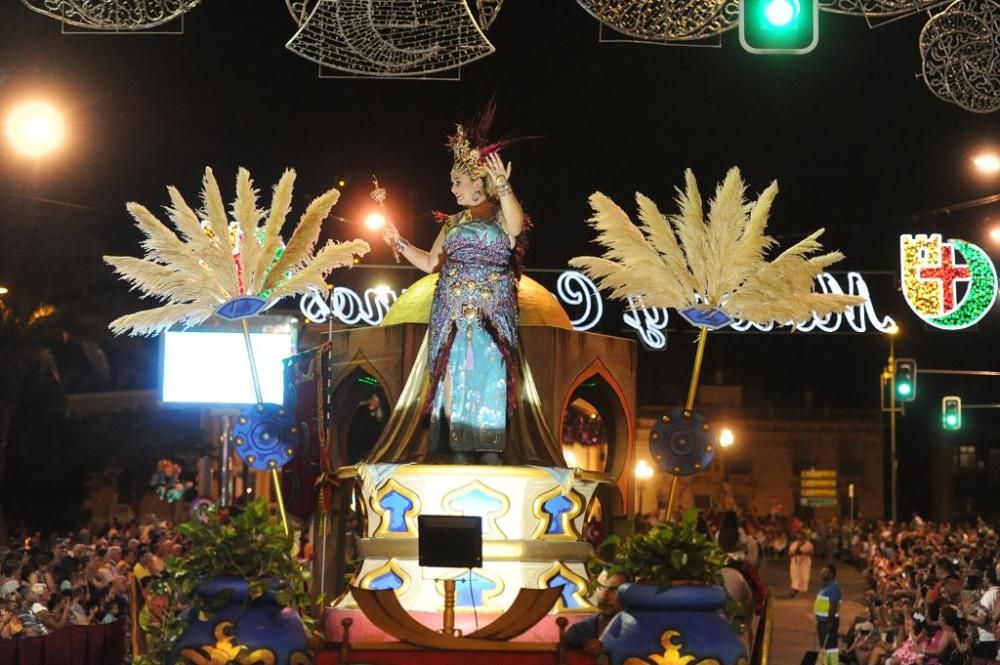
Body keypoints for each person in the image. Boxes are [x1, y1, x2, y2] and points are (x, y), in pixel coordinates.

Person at [373, 110, 564, 467]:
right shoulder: (453, 223)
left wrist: (505, 185)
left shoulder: (500, 217)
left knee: (489, 372)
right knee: (455, 373)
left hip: (492, 312)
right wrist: (399, 243)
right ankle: (456, 446)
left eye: (458, 182)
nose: (452, 189)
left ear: (479, 184)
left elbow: (515, 226)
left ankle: (490, 448)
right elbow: (432, 263)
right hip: (454, 312)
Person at [564, 573, 625, 649]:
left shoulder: (638, 631)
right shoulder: (579, 632)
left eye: (614, 590)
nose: (604, 597)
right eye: (600, 588)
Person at [815, 564, 843, 665]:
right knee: (827, 647)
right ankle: (831, 663)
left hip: (828, 621)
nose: (822, 574)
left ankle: (831, 663)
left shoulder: (833, 588)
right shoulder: (826, 586)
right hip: (823, 621)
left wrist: (829, 623)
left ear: (831, 574)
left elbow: (833, 606)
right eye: (822, 571)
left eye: (825, 572)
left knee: (828, 646)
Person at [790, 531, 816, 597]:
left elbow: (812, 553)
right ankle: (794, 590)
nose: (799, 537)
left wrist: (803, 553)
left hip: (805, 563)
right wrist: (796, 552)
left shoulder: (808, 544)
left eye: (800, 536)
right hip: (795, 563)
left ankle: (803, 592)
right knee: (795, 576)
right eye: (797, 536)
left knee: (804, 576)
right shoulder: (794, 544)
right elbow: (790, 554)